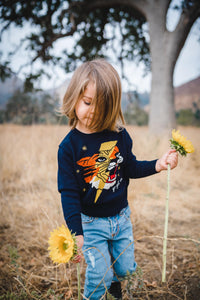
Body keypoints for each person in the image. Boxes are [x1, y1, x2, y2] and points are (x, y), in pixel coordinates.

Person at [57, 59, 178, 300]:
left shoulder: (119, 136)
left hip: (121, 219)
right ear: (75, 97)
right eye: (87, 102)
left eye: (100, 106)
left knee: (126, 269)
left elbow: (130, 167)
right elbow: (69, 193)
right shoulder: (68, 147)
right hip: (90, 224)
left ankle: (117, 284)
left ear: (112, 106)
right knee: (98, 274)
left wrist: (158, 164)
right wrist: (76, 233)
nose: (92, 112)